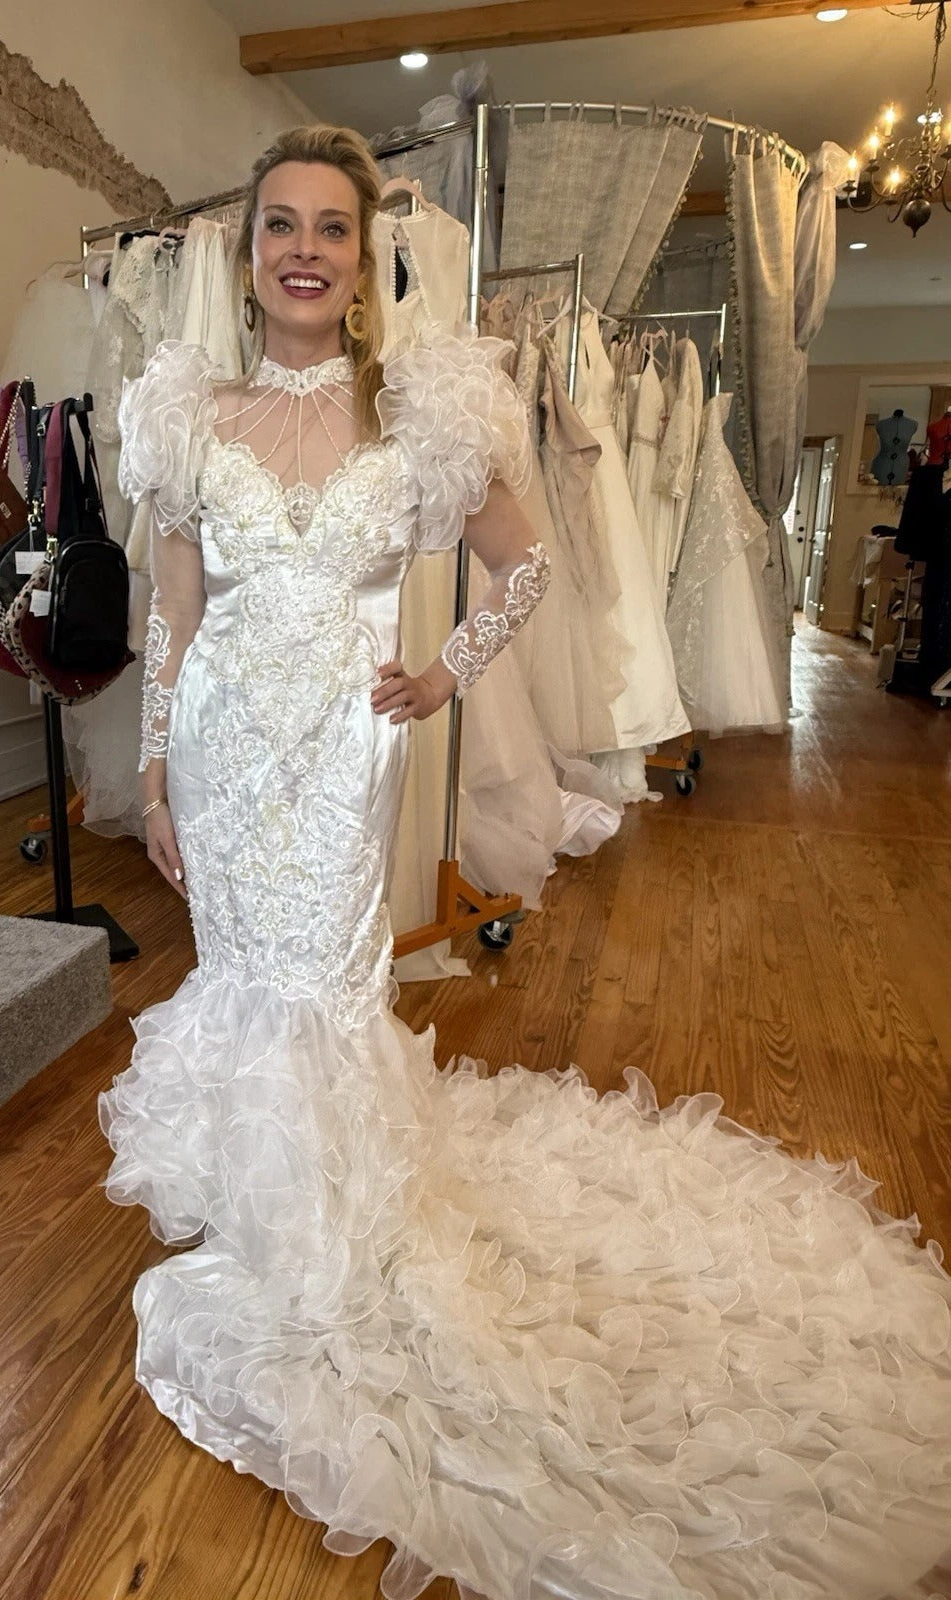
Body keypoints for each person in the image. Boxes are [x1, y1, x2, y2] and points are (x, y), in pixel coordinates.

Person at [98, 125, 951, 1600]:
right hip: (226, 751)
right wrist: (160, 771)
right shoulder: (190, 411)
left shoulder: (420, 413)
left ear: (366, 258)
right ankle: (267, 1205)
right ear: (246, 253)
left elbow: (530, 561)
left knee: (323, 983)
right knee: (242, 975)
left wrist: (444, 673)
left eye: (332, 229)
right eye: (281, 225)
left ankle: (335, 1242)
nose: (305, 251)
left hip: (342, 751)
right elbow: (174, 611)